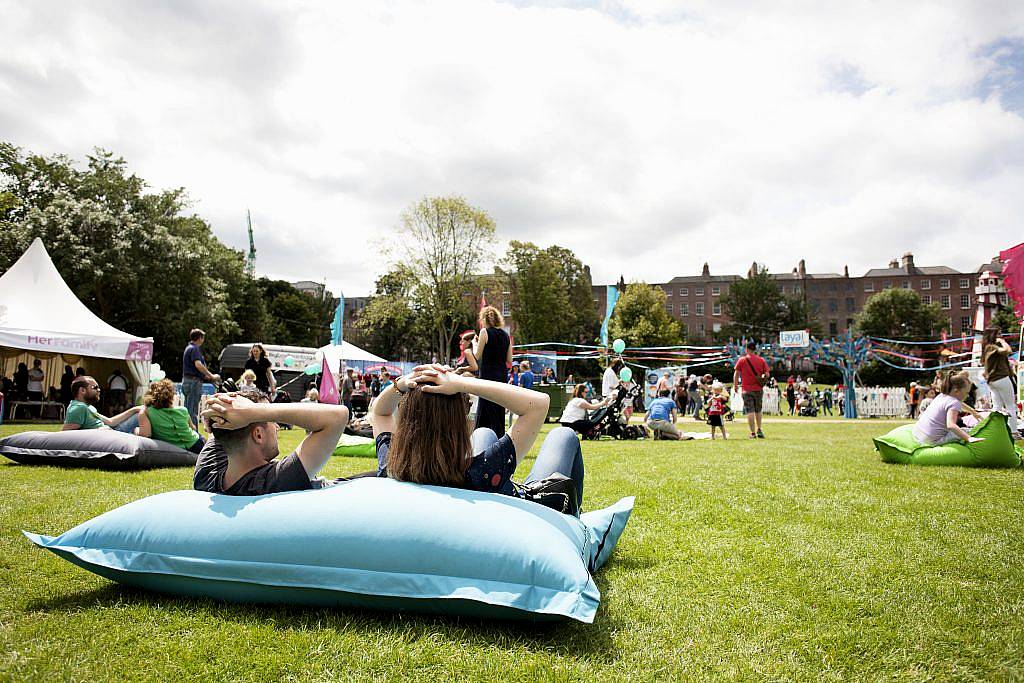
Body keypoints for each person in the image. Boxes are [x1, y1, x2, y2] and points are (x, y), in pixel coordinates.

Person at [371, 363, 588, 517]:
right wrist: (463, 383)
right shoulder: (480, 474)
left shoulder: (392, 465)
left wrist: (400, 384)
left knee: (484, 433)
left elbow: (380, 413)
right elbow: (539, 404)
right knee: (564, 435)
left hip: (486, 485)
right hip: (523, 502)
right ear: (457, 422)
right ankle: (574, 523)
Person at [194, 387, 350, 495]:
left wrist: (223, 404)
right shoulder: (274, 482)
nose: (277, 427)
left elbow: (220, 425)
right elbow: (338, 416)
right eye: (271, 419)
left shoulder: (207, 472)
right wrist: (252, 411)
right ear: (258, 435)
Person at [912, 370, 984, 446]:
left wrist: (972, 411)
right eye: (966, 393)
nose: (967, 396)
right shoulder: (954, 403)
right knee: (970, 430)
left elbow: (960, 404)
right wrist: (969, 438)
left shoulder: (941, 396)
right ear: (956, 391)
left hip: (918, 433)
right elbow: (951, 425)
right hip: (932, 441)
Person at [136, 379, 205, 454]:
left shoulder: (147, 411)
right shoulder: (183, 410)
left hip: (175, 449)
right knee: (201, 438)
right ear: (171, 396)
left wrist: (136, 430)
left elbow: (146, 435)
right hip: (197, 444)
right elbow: (193, 428)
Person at [475, 306, 512, 437]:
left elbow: (477, 355)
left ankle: (481, 435)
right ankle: (499, 436)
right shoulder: (506, 335)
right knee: (498, 407)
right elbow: (509, 359)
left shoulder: (484, 332)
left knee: (485, 406)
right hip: (501, 375)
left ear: (484, 319)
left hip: (487, 374)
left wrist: (476, 344)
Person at [62, 376, 142, 432]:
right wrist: (98, 431)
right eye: (95, 387)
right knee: (143, 413)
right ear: (82, 390)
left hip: (111, 431)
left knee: (140, 412)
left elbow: (111, 422)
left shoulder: (88, 407)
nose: (99, 390)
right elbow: (67, 434)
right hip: (110, 436)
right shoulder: (78, 408)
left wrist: (134, 409)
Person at [980, 327, 1018, 436]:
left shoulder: (987, 348)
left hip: (992, 381)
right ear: (993, 336)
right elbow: (1008, 350)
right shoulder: (992, 347)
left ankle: (994, 431)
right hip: (1001, 378)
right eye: (999, 334)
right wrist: (1003, 342)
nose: (1001, 336)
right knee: (1010, 405)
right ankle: (1014, 432)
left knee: (997, 407)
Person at [733, 341, 771, 439]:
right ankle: (759, 429)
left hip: (746, 389)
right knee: (758, 410)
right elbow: (767, 374)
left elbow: (736, 374)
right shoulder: (761, 360)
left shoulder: (742, 360)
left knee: (750, 411)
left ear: (747, 349)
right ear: (755, 349)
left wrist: (735, 385)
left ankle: (752, 433)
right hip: (758, 389)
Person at [182, 328, 220, 425]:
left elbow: (193, 368)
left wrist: (206, 377)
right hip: (193, 382)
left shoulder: (188, 348)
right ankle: (194, 435)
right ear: (200, 338)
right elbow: (198, 365)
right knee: (192, 411)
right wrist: (211, 375)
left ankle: (186, 431)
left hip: (187, 381)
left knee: (187, 409)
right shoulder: (194, 349)